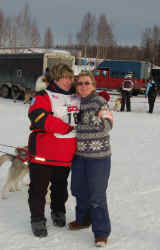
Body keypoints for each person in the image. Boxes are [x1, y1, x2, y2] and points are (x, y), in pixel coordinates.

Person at [27, 63, 80, 237]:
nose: (67, 81)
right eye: (64, 77)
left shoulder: (76, 96)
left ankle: (58, 211)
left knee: (60, 186)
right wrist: (63, 127)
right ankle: (37, 219)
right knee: (38, 188)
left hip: (65, 153)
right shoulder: (43, 95)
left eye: (70, 77)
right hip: (43, 152)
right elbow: (38, 117)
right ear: (55, 78)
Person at [68, 71, 113, 247]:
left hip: (98, 157)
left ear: (93, 85)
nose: (83, 86)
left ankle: (101, 232)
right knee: (78, 189)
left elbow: (107, 126)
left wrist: (87, 118)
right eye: (80, 83)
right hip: (79, 156)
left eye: (87, 83)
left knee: (97, 195)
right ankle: (83, 220)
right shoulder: (74, 101)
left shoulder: (100, 102)